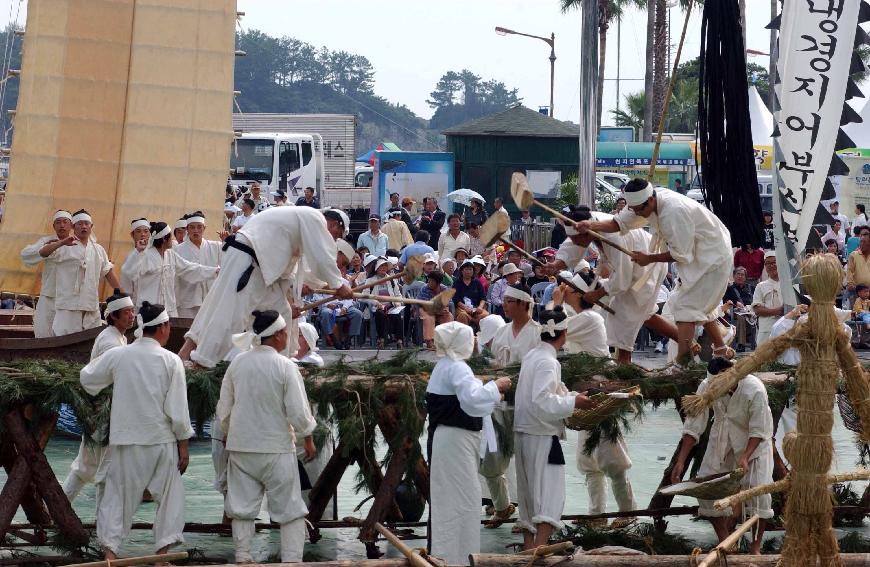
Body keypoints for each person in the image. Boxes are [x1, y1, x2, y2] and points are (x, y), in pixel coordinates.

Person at [80, 302, 193, 560]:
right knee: (168, 497)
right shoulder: (171, 360)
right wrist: (183, 445)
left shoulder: (121, 355)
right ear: (163, 328)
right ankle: (162, 555)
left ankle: (110, 552)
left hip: (127, 439)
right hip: (160, 441)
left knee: (118, 496)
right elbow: (178, 408)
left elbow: (87, 378)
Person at [578, 178, 734, 365]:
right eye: (633, 209)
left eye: (639, 210)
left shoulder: (673, 212)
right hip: (693, 254)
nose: (636, 214)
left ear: (651, 200)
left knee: (686, 308)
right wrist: (592, 226)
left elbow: (681, 255)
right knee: (690, 303)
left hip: (712, 256)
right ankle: (720, 347)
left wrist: (648, 258)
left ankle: (682, 365)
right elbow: (618, 223)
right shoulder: (641, 204)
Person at [181, 206, 352, 368]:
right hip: (248, 261)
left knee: (282, 313)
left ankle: (280, 364)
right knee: (229, 315)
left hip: (259, 268)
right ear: (335, 224)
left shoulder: (302, 222)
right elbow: (320, 259)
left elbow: (296, 266)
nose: (334, 240)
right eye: (337, 235)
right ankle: (202, 362)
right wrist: (338, 284)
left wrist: (305, 286)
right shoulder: (315, 218)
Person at [216, 310, 317, 563]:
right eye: (286, 333)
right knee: (290, 509)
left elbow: (224, 408)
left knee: (241, 508)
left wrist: (229, 433)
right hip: (276, 448)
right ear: (279, 335)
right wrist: (308, 436)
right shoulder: (285, 366)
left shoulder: (238, 363)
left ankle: (243, 555)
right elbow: (297, 411)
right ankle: (292, 560)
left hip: (243, 447)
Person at [427, 322, 511, 566]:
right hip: (456, 441)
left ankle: (450, 557)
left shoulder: (446, 366)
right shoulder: (457, 368)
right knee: (463, 500)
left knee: (452, 500)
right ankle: (458, 559)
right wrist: (497, 386)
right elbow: (473, 400)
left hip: (450, 441)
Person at [546, 206, 675, 365]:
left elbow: (623, 278)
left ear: (587, 233)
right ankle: (684, 339)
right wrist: (556, 265)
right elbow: (572, 247)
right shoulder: (582, 225)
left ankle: (624, 362)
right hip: (629, 269)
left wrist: (598, 294)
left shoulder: (612, 236)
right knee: (643, 314)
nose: (575, 243)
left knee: (625, 312)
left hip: (646, 264)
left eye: (577, 239)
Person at [671, 357, 774, 554]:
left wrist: (745, 456)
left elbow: (759, 430)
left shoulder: (755, 389)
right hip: (721, 440)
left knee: (758, 492)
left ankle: (755, 546)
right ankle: (725, 541)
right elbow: (694, 424)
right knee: (706, 488)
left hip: (754, 445)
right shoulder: (707, 386)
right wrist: (681, 461)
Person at [513, 306, 595, 550]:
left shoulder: (532, 356)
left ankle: (529, 550)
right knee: (550, 493)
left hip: (524, 431)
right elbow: (542, 400)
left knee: (528, 495)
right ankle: (538, 550)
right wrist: (573, 402)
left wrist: (569, 395)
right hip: (540, 434)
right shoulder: (548, 361)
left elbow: (546, 393)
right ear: (564, 334)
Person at [62, 291, 136, 501]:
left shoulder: (119, 337)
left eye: (132, 311)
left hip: (107, 411)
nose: (132, 315)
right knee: (95, 467)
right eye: (127, 312)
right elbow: (109, 380)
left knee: (88, 466)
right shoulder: (109, 342)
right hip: (102, 412)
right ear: (113, 316)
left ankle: (59, 509)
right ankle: (60, 510)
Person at [482, 283, 540, 527]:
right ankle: (503, 506)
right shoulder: (503, 331)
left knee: (528, 465)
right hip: (501, 403)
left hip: (527, 405)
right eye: (504, 301)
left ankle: (529, 517)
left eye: (509, 301)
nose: (504, 305)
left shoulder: (538, 333)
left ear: (524, 304)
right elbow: (495, 363)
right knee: (491, 461)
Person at [121, 222, 219, 318]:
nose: (172, 240)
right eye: (170, 237)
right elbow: (129, 272)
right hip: (149, 309)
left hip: (169, 309)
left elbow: (190, 268)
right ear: (164, 239)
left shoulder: (170, 255)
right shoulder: (145, 255)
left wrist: (214, 271)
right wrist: (138, 252)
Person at [51, 210, 121, 336]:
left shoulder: (98, 249)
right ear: (73, 226)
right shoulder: (64, 246)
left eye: (86, 224)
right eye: (80, 224)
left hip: (90, 303)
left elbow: (108, 272)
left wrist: (121, 292)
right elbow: (44, 253)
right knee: (65, 338)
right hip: (68, 304)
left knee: (91, 339)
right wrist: (60, 243)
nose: (83, 226)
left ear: (91, 226)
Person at [20, 210, 73, 337]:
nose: (62, 225)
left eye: (65, 222)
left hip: (69, 298)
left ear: (71, 225)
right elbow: (26, 255)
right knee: (43, 331)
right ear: (53, 226)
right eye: (58, 222)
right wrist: (46, 247)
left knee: (66, 332)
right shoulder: (47, 241)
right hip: (48, 295)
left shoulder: (78, 243)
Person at [174, 212, 223, 318]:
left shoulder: (216, 247)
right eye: (192, 227)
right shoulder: (177, 250)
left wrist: (227, 243)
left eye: (199, 227)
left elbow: (228, 261)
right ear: (187, 229)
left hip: (210, 300)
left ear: (204, 228)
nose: (196, 230)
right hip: (187, 302)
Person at [364, 257, 404, 349]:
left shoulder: (391, 279)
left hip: (391, 306)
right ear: (376, 268)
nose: (383, 268)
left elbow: (398, 295)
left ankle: (399, 341)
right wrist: (376, 302)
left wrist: (398, 303)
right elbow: (364, 296)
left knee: (397, 315)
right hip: (376, 307)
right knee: (380, 314)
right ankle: (381, 340)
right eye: (381, 266)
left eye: (385, 266)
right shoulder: (370, 280)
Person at [751, 252, 783, 346]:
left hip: (786, 327)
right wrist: (778, 311)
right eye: (768, 263)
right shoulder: (760, 286)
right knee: (764, 357)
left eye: (774, 262)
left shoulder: (788, 284)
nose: (771, 265)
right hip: (767, 328)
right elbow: (757, 310)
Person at [119, 218, 152, 308]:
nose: (143, 234)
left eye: (146, 231)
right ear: (132, 235)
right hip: (136, 303)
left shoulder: (155, 254)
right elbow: (126, 282)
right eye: (138, 231)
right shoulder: (131, 255)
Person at [418, 271, 453, 349]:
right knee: (429, 318)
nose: (429, 282)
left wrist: (445, 309)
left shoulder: (444, 289)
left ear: (438, 283)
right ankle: (429, 341)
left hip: (439, 311)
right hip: (425, 310)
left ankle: (444, 341)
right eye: (429, 280)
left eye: (432, 281)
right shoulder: (425, 288)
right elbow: (424, 304)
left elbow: (449, 302)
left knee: (449, 316)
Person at [722, 267, 755, 351]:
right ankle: (741, 344)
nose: (740, 276)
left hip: (751, 311)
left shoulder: (751, 288)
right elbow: (725, 301)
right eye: (738, 274)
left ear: (745, 277)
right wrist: (734, 302)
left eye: (742, 275)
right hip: (737, 312)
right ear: (734, 276)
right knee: (741, 317)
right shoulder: (729, 289)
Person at [452, 260, 488, 327]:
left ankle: (481, 336)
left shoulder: (477, 282)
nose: (468, 271)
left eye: (470, 269)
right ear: (462, 271)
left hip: (476, 307)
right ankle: (465, 335)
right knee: (463, 315)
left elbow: (483, 297)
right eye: (466, 269)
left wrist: (480, 307)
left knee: (485, 316)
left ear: (473, 271)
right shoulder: (457, 283)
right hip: (462, 308)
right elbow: (456, 299)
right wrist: (465, 307)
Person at [846, 226, 870, 294]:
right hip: (856, 293)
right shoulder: (853, 255)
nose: (862, 237)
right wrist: (857, 289)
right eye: (861, 235)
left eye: (865, 234)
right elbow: (849, 274)